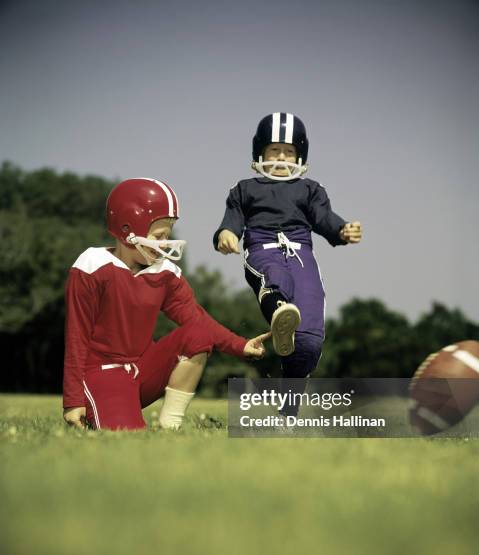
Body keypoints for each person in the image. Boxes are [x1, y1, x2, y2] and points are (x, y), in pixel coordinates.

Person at [63, 177, 270, 431]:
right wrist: (73, 401)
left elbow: (197, 320)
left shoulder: (165, 272)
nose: (165, 243)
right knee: (127, 438)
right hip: (101, 374)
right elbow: (77, 337)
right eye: (159, 235)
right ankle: (108, 409)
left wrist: (241, 345)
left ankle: (169, 426)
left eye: (168, 235)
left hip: (141, 371)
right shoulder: (92, 266)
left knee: (198, 334)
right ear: (128, 228)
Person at [213, 112, 362, 388]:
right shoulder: (244, 189)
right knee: (274, 275)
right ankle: (279, 309)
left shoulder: (311, 189)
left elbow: (323, 218)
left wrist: (342, 230)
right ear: (260, 153)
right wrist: (226, 235)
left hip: (301, 253)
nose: (281, 158)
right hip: (262, 246)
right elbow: (231, 221)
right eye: (274, 150)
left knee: (309, 334)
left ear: (300, 156)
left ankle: (289, 405)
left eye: (288, 152)